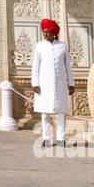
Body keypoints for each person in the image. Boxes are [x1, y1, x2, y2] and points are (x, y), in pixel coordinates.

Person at [31, 18, 74, 146]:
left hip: (59, 84)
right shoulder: (39, 46)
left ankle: (61, 139)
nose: (45, 34)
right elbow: (35, 66)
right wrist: (35, 83)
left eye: (47, 32)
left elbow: (68, 67)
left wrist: (71, 83)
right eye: (43, 31)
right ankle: (46, 138)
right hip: (44, 84)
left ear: (53, 33)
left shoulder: (62, 46)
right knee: (45, 113)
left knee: (61, 112)